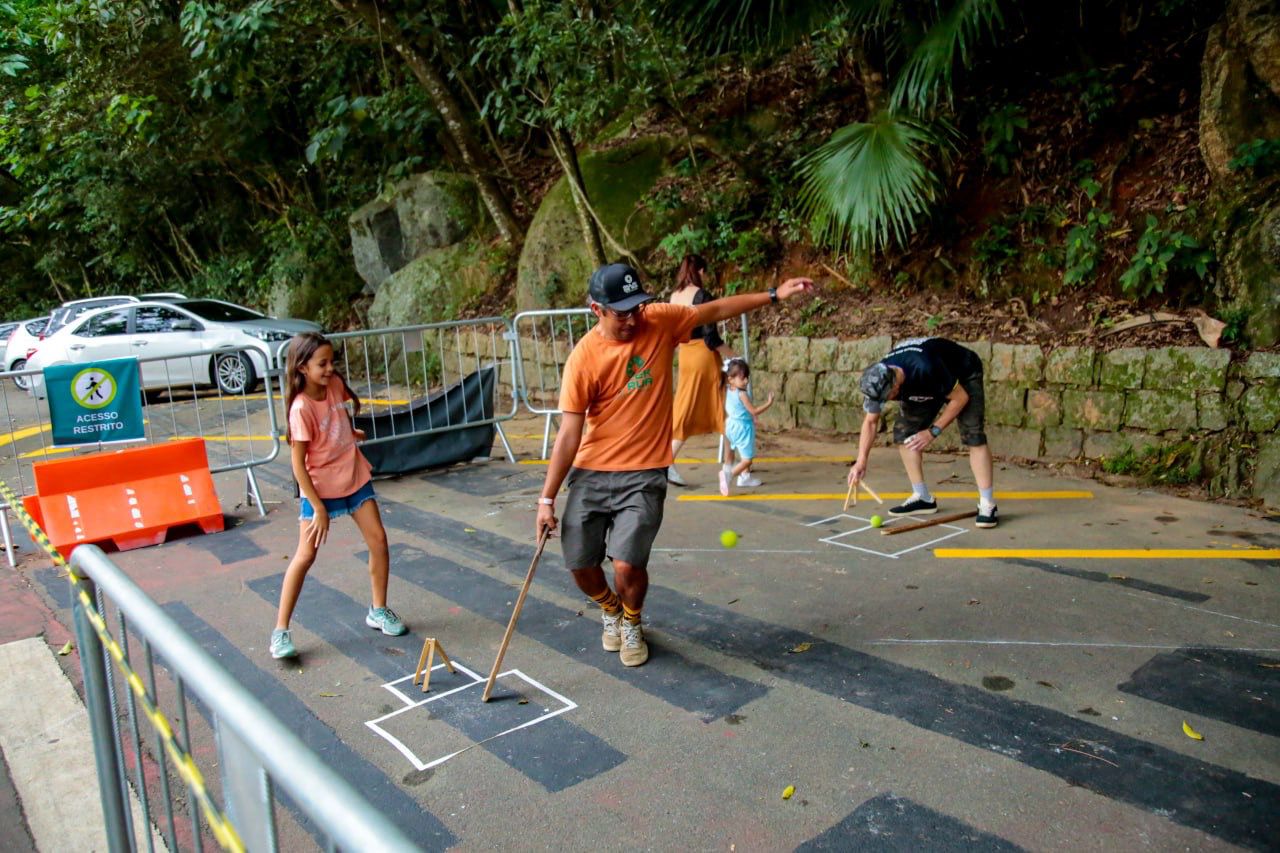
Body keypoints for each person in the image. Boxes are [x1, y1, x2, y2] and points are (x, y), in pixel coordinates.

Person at [537, 263, 814, 666]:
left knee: (627, 564)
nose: (633, 319)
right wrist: (546, 500)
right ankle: (611, 609)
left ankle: (632, 620)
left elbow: (716, 310)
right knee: (580, 564)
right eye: (621, 312)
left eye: (637, 307)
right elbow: (568, 434)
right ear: (597, 310)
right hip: (593, 471)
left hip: (645, 471)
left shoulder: (659, 321)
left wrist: (774, 295)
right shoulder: (583, 358)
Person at [270, 332, 407, 660]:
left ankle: (378, 609)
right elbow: (298, 465)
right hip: (319, 487)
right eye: (322, 363)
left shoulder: (333, 384)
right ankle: (280, 631)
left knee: (378, 540)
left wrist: (348, 433)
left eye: (332, 361)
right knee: (305, 556)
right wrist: (317, 507)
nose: (330, 368)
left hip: (353, 475)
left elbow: (337, 414)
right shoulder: (300, 408)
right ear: (302, 367)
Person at [847, 337, 998, 529]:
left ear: (895, 386)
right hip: (925, 384)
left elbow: (960, 398)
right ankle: (922, 497)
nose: (886, 402)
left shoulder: (925, 367)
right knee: (905, 434)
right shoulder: (878, 381)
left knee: (973, 435)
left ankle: (987, 504)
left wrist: (933, 431)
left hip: (963, 372)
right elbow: (870, 422)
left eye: (888, 398)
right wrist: (861, 461)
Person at [668, 254, 733, 486]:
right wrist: (732, 355)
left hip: (685, 355)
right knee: (725, 408)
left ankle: (729, 464)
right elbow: (710, 337)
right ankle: (730, 466)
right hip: (703, 356)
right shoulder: (702, 296)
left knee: (686, 406)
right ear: (701, 271)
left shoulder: (674, 296)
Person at [719, 358, 773, 496]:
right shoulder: (742, 394)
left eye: (747, 377)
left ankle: (744, 477)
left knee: (739, 452)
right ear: (731, 379)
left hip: (730, 424)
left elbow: (741, 410)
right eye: (742, 378)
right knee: (747, 459)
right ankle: (729, 475)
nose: (746, 381)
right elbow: (753, 411)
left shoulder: (728, 389)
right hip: (743, 429)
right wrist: (768, 403)